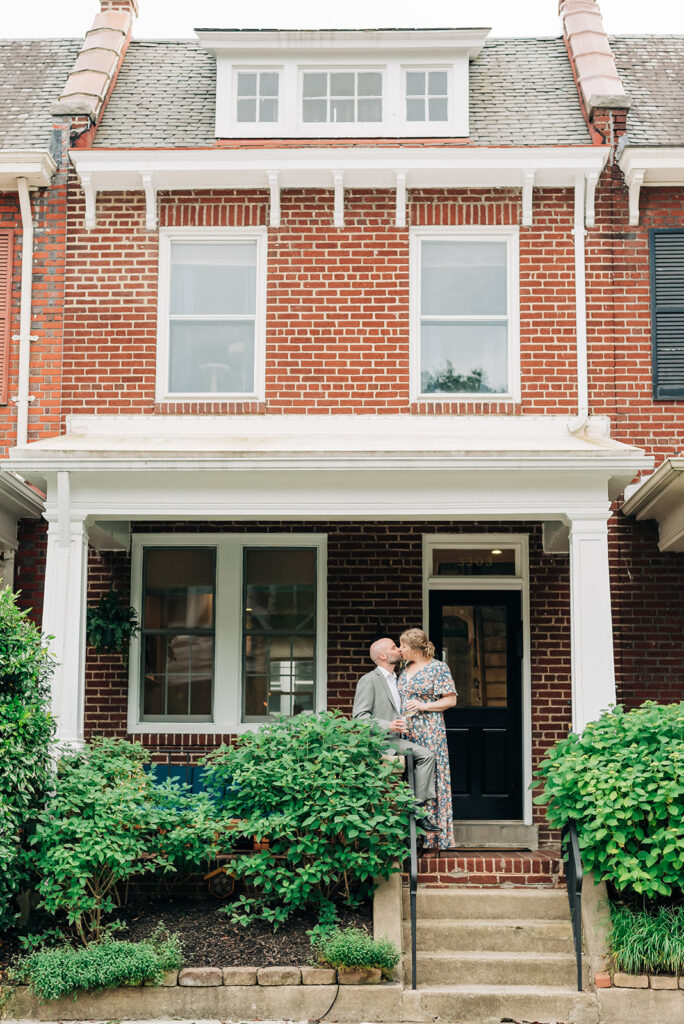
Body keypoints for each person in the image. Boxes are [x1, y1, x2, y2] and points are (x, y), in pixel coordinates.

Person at [353, 637, 439, 831]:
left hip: (402, 738)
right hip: (385, 741)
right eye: (394, 647)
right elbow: (359, 718)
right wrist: (389, 725)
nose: (399, 650)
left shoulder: (399, 678)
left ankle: (415, 806)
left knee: (426, 756)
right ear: (383, 656)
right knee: (426, 756)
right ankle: (417, 810)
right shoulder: (369, 680)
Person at [398, 628, 457, 850]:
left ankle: (432, 836)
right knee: (410, 777)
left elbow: (450, 700)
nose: (400, 650)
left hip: (429, 730)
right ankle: (412, 834)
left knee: (432, 777)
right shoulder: (405, 667)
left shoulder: (438, 668)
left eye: (402, 645)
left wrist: (423, 706)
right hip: (406, 730)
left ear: (413, 648)